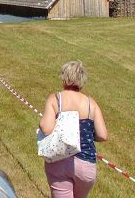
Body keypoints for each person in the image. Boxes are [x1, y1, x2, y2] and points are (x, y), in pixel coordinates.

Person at [39, 60, 108, 198]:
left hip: (61, 161)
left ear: (64, 78)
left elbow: (46, 129)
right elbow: (103, 135)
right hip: (87, 165)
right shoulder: (91, 103)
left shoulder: (56, 99)